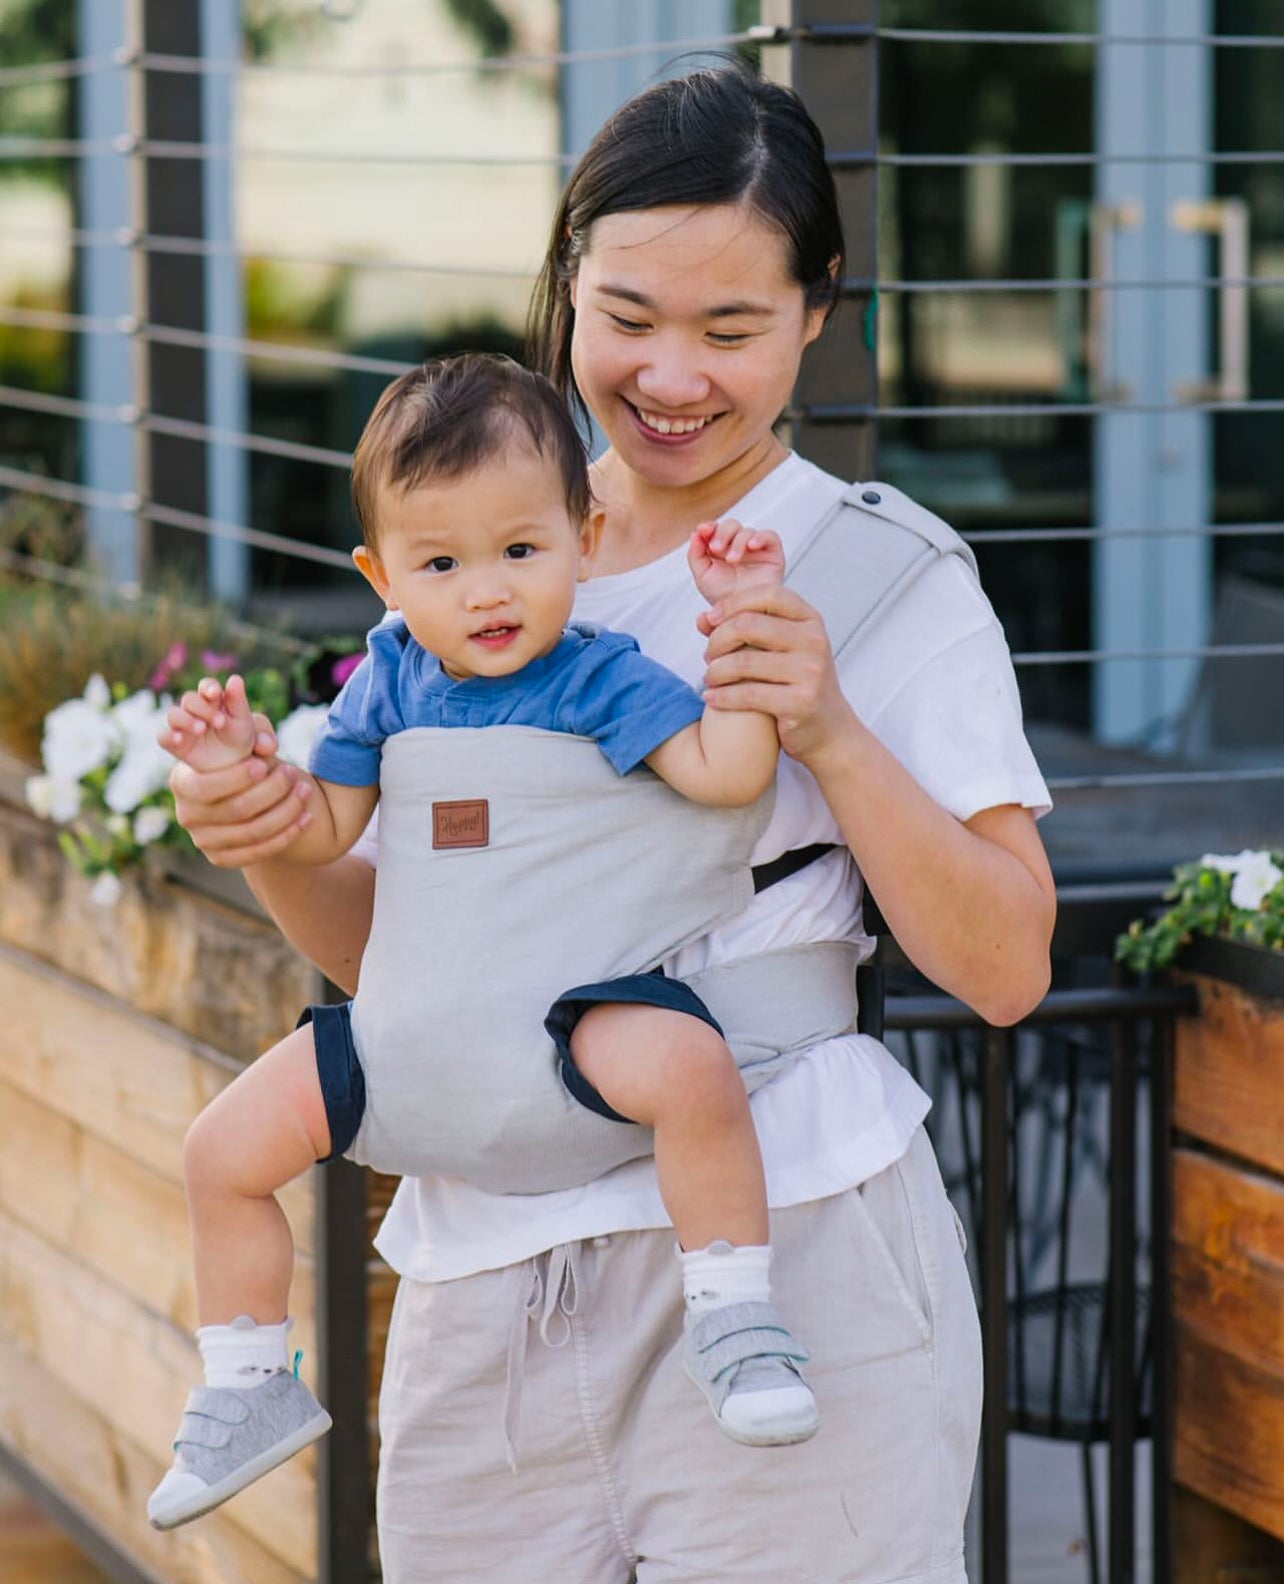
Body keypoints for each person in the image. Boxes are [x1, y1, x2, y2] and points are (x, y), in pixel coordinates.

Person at [169, 63, 1056, 1584]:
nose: (673, 377)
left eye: (733, 330)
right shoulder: (467, 561)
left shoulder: (886, 575)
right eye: (631, 318)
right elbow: (398, 952)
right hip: (487, 1280)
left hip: (799, 1258)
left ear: (816, 317)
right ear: (566, 279)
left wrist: (830, 731)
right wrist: (267, 834)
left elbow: (1007, 967)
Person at [147, 353, 824, 1531]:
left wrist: (744, 635)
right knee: (219, 1151)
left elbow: (728, 777)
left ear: (584, 527)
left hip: (568, 1021)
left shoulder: (601, 678)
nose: (487, 592)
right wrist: (238, 775)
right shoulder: (390, 683)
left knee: (694, 1070)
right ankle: (247, 1385)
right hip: (416, 1036)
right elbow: (322, 831)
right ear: (380, 576)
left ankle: (734, 1317)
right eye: (441, 563)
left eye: (521, 549)